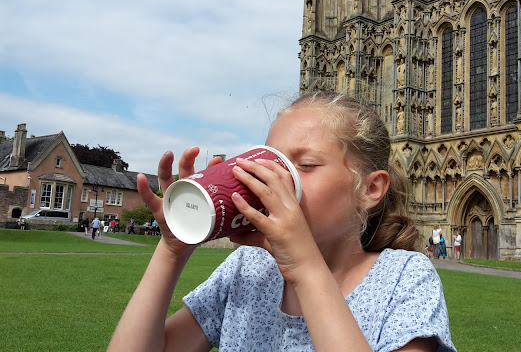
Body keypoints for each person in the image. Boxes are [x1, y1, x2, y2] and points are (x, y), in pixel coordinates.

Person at [108, 91, 456, 351]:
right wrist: (172, 250)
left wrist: (305, 267)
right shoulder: (250, 268)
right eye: (268, 162)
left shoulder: (404, 278)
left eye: (305, 165)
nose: (274, 180)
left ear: (370, 189)